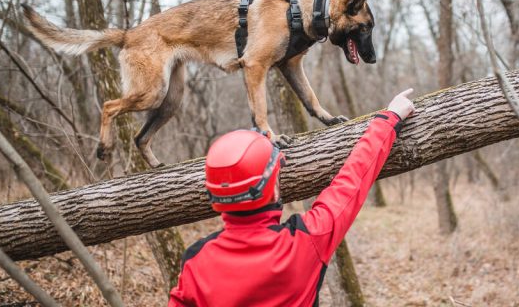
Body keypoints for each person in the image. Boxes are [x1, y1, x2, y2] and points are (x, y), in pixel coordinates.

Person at [168, 89, 415, 307]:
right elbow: (352, 181)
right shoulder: (305, 241)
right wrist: (389, 118)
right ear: (271, 188)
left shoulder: (195, 261)